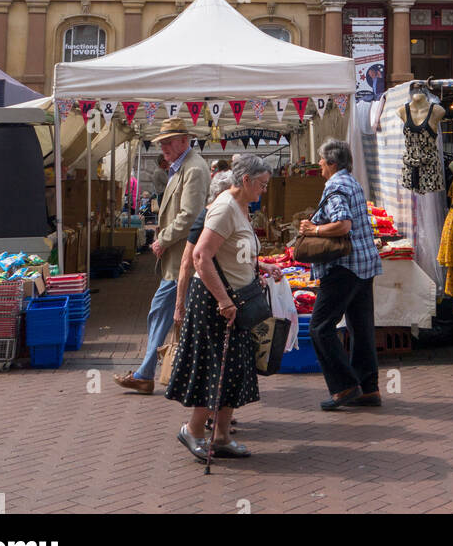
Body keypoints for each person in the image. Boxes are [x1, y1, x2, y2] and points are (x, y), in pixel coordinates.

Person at [166, 155, 284, 461]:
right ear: (245, 180)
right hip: (215, 302)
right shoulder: (224, 207)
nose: (264, 190)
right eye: (262, 184)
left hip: (235, 299)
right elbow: (200, 256)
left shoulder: (242, 207)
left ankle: (221, 437)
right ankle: (192, 430)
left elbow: (236, 252)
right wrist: (223, 301)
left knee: (233, 369)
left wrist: (260, 267)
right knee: (216, 367)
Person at [114, 119, 209, 395]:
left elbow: (190, 215)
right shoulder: (182, 167)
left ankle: (152, 374)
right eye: (161, 143)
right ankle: (155, 373)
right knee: (169, 314)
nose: (163, 147)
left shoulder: (193, 168)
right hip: (178, 259)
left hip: (183, 259)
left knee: (169, 313)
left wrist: (163, 239)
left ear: (185, 141)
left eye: (168, 142)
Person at [299, 138, 382, 410]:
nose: (320, 164)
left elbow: (343, 224)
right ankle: (368, 388)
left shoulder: (335, 185)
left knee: (320, 327)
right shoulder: (351, 182)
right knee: (361, 327)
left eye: (322, 160)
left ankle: (345, 386)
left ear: (332, 162)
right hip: (364, 263)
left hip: (343, 266)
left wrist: (314, 230)